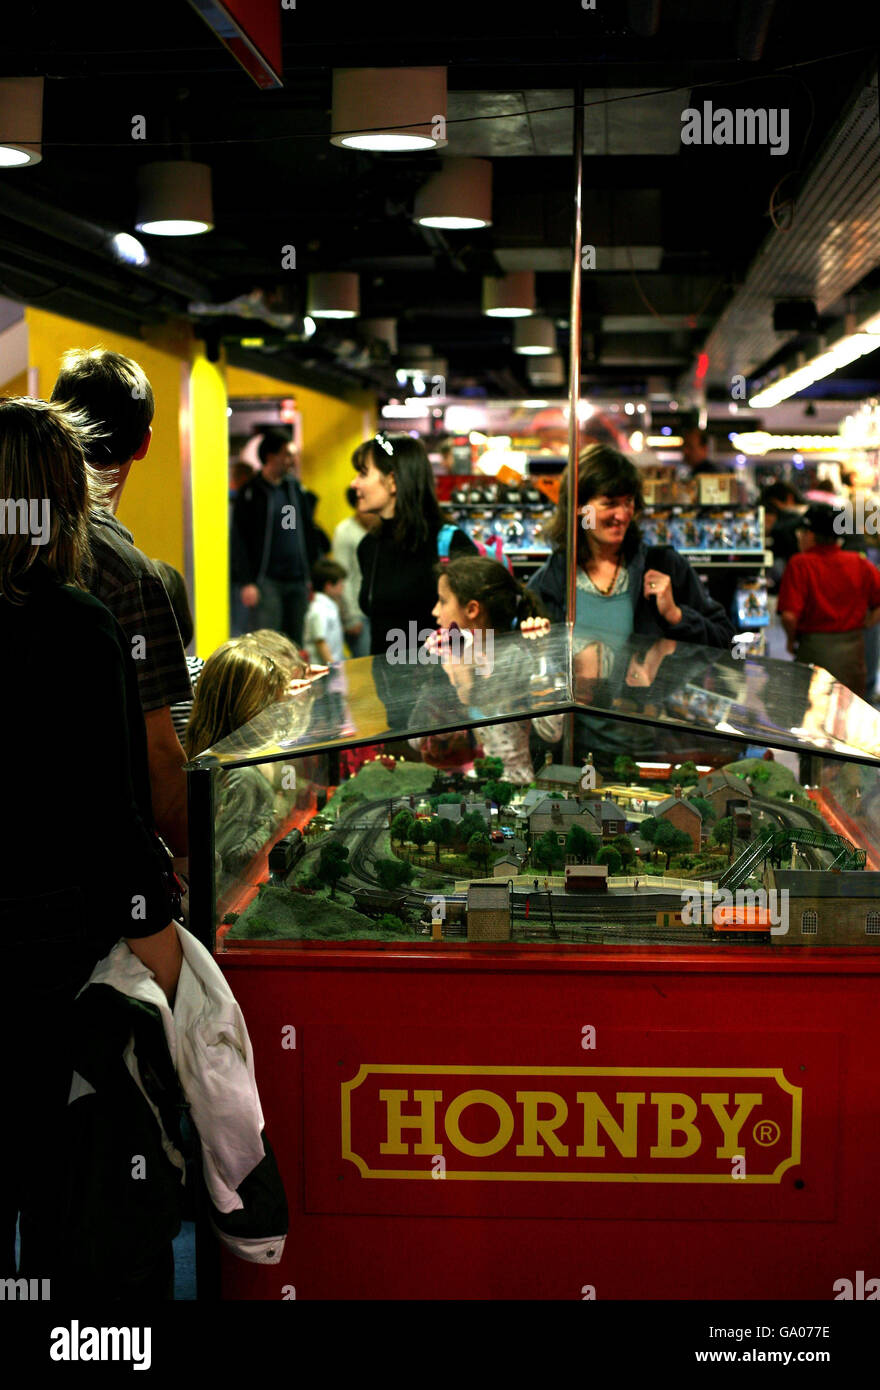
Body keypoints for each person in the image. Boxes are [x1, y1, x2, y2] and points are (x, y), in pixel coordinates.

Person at [0, 397, 182, 1292]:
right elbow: (117, 818)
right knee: (70, 1218)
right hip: (53, 975)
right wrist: (170, 954)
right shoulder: (78, 629)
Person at [50, 347, 193, 856]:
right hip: (90, 858)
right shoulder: (127, 573)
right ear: (145, 444)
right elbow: (160, 755)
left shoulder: (17, 539)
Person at [529, 444, 734, 648]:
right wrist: (533, 642)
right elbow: (509, 652)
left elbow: (726, 638)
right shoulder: (553, 579)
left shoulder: (664, 565)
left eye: (628, 502)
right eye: (609, 503)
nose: (622, 515)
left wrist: (676, 615)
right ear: (580, 508)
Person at [353, 432, 478, 716]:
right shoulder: (369, 547)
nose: (354, 483)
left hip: (447, 703)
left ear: (394, 480)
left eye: (363, 473)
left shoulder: (448, 542)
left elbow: (481, 617)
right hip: (390, 701)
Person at [411, 555, 563, 783]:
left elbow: (552, 731)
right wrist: (440, 675)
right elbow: (417, 737)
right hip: (465, 784)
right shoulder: (450, 655)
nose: (435, 611)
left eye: (443, 601)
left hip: (513, 788)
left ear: (472, 609)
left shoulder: (518, 660)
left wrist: (541, 658)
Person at [185, 638, 289, 875]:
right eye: (273, 708)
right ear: (249, 711)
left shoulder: (217, 758)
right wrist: (274, 818)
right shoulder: (241, 775)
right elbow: (228, 860)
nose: (278, 719)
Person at [777, 502, 880, 698]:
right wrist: (867, 624)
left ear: (811, 535)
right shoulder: (859, 563)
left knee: (811, 714)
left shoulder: (800, 564)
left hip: (814, 653)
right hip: (853, 655)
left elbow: (789, 617)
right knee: (849, 714)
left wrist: (791, 640)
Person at [230, 429, 321, 646]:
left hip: (297, 580)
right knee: (269, 644)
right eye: (288, 455)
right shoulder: (251, 492)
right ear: (271, 457)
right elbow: (239, 539)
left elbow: (308, 531)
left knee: (295, 644)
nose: (293, 461)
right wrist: (247, 582)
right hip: (267, 582)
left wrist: (312, 576)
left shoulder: (295, 489)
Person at [332, 469, 379, 657]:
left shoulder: (378, 531)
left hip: (376, 610)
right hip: (358, 614)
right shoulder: (345, 532)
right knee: (365, 663)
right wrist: (350, 617)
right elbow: (343, 576)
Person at [304, 557, 347, 726]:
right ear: (329, 586)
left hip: (328, 668)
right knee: (323, 708)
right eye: (340, 584)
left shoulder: (329, 606)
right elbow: (320, 641)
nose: (342, 587)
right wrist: (332, 665)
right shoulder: (319, 610)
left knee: (333, 705)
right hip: (322, 669)